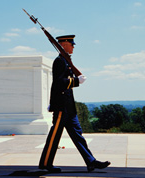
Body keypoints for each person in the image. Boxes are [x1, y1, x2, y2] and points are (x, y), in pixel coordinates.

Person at [38, 35, 110, 172]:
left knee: (78, 135)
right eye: (71, 44)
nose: (73, 46)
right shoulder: (59, 62)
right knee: (54, 137)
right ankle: (46, 163)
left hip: (69, 108)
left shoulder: (66, 61)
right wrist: (77, 81)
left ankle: (91, 161)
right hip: (61, 107)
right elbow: (58, 83)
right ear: (64, 45)